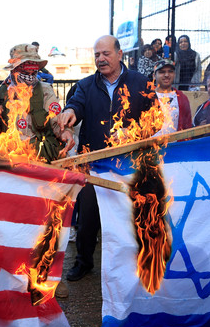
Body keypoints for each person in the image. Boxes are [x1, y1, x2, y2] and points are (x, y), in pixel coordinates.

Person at [57, 35, 154, 281]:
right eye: (97, 55)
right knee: (87, 217)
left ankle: (137, 262)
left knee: (131, 215)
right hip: (93, 162)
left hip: (130, 163)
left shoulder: (141, 82)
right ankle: (84, 262)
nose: (100, 59)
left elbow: (156, 120)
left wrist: (134, 132)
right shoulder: (86, 85)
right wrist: (69, 112)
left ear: (120, 54)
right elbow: (75, 105)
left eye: (106, 54)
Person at [0, 43, 75, 162]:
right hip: (8, 160)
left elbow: (57, 122)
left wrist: (65, 132)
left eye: (33, 70)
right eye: (25, 70)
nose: (30, 75)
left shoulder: (45, 91)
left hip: (39, 157)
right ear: (13, 69)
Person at [152, 59, 192, 135]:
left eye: (170, 71)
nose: (167, 75)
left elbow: (187, 126)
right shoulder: (147, 96)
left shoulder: (182, 98)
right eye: (162, 72)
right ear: (154, 76)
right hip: (151, 145)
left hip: (175, 145)